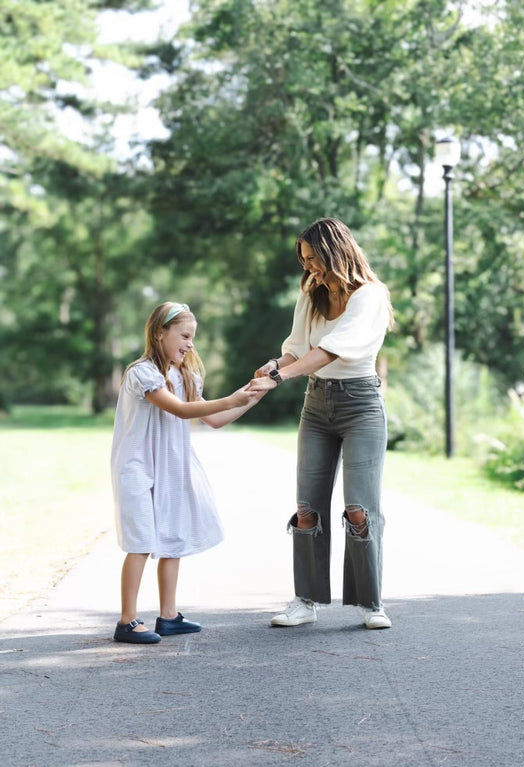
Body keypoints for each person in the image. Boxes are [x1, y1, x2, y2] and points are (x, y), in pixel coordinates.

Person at [249, 218, 394, 630]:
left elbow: (331, 350)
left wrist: (282, 377)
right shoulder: (310, 297)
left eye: (313, 258)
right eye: (304, 259)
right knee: (306, 508)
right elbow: (298, 351)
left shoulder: (370, 296)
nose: (308, 267)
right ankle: (306, 599)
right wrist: (274, 366)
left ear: (335, 251)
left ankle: (371, 603)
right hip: (317, 405)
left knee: (359, 509)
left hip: (361, 405)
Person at [111, 301, 263, 644]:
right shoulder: (142, 373)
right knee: (140, 542)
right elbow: (179, 410)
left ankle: (168, 617)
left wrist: (251, 396)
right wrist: (230, 398)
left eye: (193, 337)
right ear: (160, 332)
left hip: (172, 466)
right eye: (184, 335)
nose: (190, 343)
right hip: (137, 467)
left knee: (172, 539)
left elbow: (214, 420)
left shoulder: (185, 375)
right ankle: (127, 621)